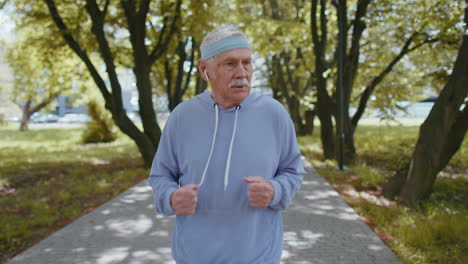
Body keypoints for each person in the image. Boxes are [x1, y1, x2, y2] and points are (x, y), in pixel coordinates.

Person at [149, 24, 305, 263]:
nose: (242, 73)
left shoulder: (274, 114)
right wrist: (171, 198)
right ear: (205, 69)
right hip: (194, 256)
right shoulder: (182, 117)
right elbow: (160, 175)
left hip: (258, 256)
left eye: (247, 62)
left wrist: (275, 191)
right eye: (230, 64)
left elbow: (293, 171)